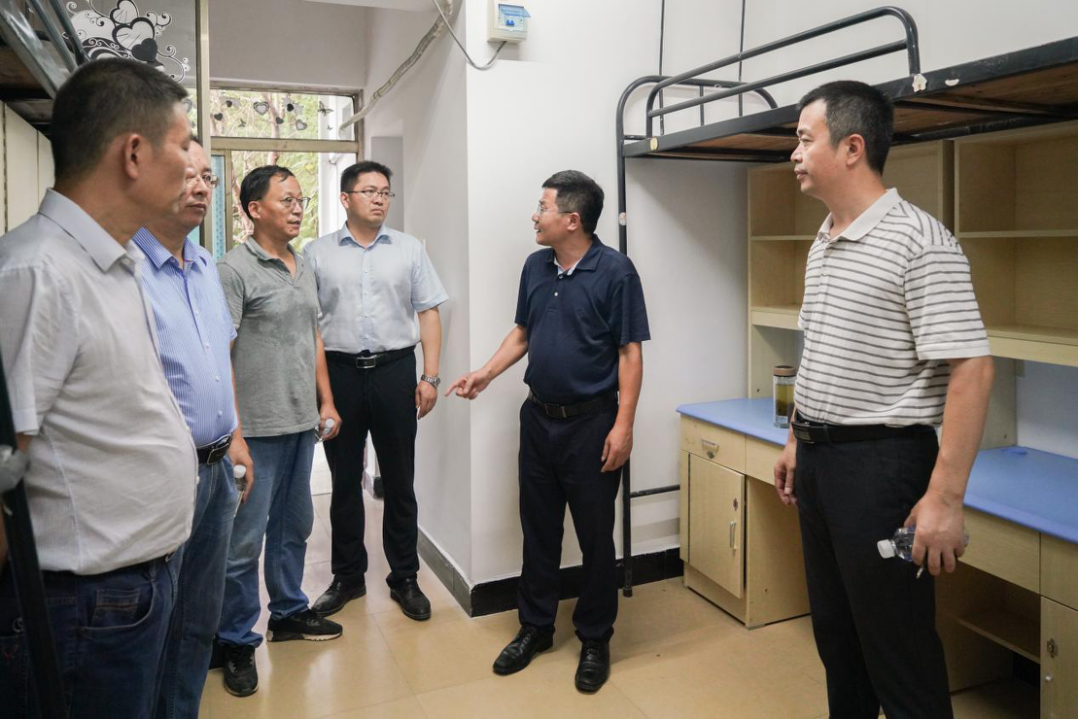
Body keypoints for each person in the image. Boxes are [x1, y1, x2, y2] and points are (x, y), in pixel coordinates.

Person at [772, 81, 995, 718]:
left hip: (881, 469)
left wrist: (944, 498)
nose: (794, 153)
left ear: (852, 148)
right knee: (838, 638)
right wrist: (796, 437)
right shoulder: (825, 239)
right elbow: (820, 349)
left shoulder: (920, 241)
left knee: (897, 649)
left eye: (805, 139)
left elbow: (973, 369)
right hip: (821, 462)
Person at [0, 58, 198, 717]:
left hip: (133, 587)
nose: (193, 162)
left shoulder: (116, 261)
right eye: (183, 143)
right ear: (134, 154)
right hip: (80, 606)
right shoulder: (36, 273)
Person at [447, 170, 649, 693]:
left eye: (543, 207)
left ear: (572, 220)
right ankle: (535, 627)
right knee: (538, 529)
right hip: (538, 419)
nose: (535, 216)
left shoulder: (616, 272)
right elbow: (523, 332)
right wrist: (485, 374)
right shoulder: (536, 266)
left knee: (595, 537)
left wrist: (623, 425)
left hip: (593, 424)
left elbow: (629, 353)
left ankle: (595, 638)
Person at [132, 138, 255, 718]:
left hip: (217, 470)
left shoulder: (206, 265)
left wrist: (236, 436)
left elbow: (218, 359)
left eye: (208, 177)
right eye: (187, 175)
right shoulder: (124, 269)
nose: (201, 187)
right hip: (161, 477)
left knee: (198, 621)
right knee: (151, 623)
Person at [215, 165, 343, 698]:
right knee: (244, 542)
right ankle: (234, 639)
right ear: (254, 209)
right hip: (256, 429)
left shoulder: (303, 263)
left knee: (295, 526)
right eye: (286, 200)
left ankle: (288, 612)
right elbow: (219, 353)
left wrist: (326, 400)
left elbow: (312, 335)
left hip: (299, 423)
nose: (297, 208)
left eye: (300, 199)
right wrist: (235, 433)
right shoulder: (233, 269)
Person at [305, 161, 448, 621]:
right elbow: (310, 327)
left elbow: (428, 312)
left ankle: (405, 577)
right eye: (369, 191)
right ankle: (347, 577)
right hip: (340, 373)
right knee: (344, 481)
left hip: (394, 372)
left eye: (385, 192)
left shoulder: (409, 249)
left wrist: (430, 376)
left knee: (400, 481)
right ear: (346, 199)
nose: (380, 199)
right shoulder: (316, 253)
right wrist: (321, 392)